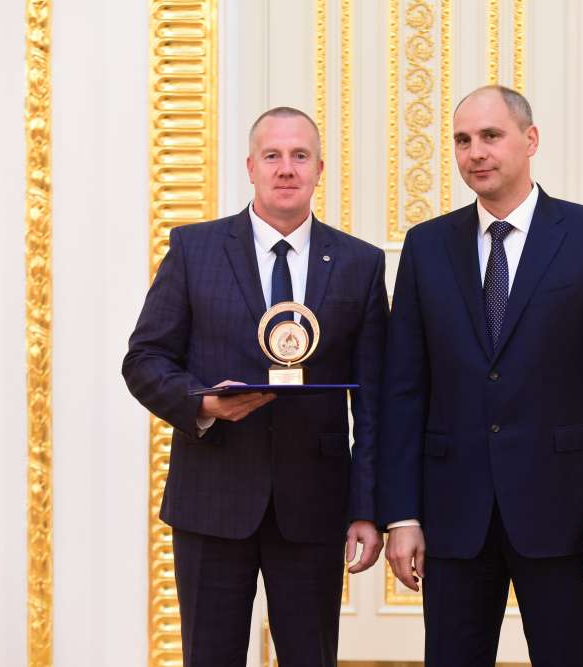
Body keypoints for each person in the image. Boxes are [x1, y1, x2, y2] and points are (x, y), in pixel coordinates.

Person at [378, 85, 583, 667]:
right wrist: (401, 515)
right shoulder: (426, 247)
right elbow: (403, 391)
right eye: (462, 140)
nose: (475, 152)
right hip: (453, 514)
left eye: (490, 136)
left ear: (530, 140)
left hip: (564, 513)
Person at [123, 107, 387, 667]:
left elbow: (374, 400)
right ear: (250, 167)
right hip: (212, 499)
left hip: (315, 505)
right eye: (272, 156)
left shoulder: (359, 263)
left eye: (300, 156)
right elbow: (144, 360)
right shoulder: (194, 249)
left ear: (319, 169)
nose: (286, 168)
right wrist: (203, 403)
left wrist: (367, 508)